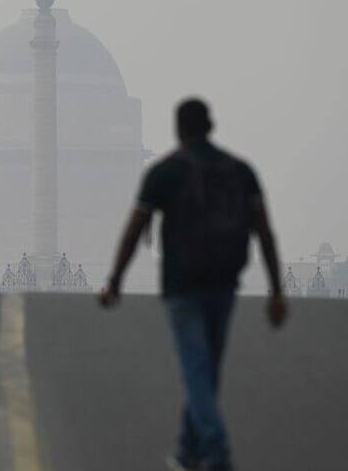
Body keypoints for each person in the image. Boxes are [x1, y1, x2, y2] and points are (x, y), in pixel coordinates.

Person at [99, 97, 287, 471]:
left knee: (199, 370)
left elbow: (135, 230)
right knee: (206, 370)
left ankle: (214, 451)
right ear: (210, 126)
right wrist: (276, 290)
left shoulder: (165, 172)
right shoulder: (240, 172)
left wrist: (115, 281)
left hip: (181, 286)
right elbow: (264, 231)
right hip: (224, 282)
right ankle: (186, 451)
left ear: (179, 130)